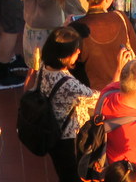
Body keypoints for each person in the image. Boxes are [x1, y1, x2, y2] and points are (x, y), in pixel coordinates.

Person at [36, 25, 130, 182]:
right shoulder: (69, 85)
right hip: (69, 142)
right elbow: (103, 97)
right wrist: (119, 69)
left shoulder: (44, 67)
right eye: (75, 50)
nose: (79, 52)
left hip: (52, 132)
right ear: (65, 55)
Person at [73, 0, 136, 91]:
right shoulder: (120, 18)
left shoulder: (75, 27)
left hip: (87, 94)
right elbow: (135, 48)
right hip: (121, 91)